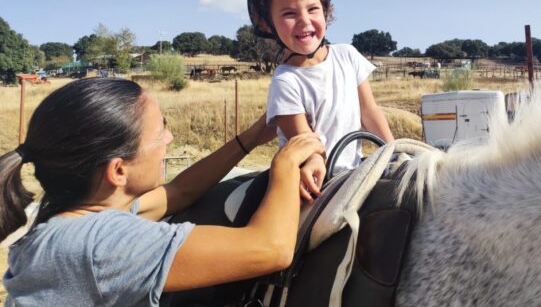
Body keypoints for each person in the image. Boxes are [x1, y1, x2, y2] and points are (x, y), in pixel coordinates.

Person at [0, 77, 324, 306]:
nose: (168, 139)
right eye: (159, 134)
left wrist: (249, 139)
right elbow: (271, 249)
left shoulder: (69, 223)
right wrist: (285, 165)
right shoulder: (104, 246)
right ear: (118, 171)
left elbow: (179, 192)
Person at [247, 0, 394, 202]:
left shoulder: (347, 56)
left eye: (312, 9)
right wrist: (316, 160)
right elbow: (305, 141)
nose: (304, 21)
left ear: (325, 10)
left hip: (353, 174)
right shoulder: (285, 81)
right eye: (289, 13)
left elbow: (369, 112)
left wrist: (394, 151)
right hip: (310, 179)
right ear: (267, 24)